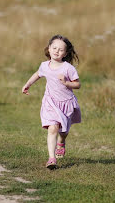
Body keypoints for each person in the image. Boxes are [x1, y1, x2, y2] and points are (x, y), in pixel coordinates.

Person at [22, 35, 81, 169]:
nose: (56, 51)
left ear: (65, 53)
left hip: (66, 103)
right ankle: (51, 158)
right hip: (50, 102)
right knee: (52, 128)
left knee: (64, 132)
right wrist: (27, 84)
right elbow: (38, 74)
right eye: (54, 48)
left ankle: (62, 141)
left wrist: (66, 83)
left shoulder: (68, 68)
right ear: (49, 49)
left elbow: (77, 84)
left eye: (60, 50)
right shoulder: (44, 65)